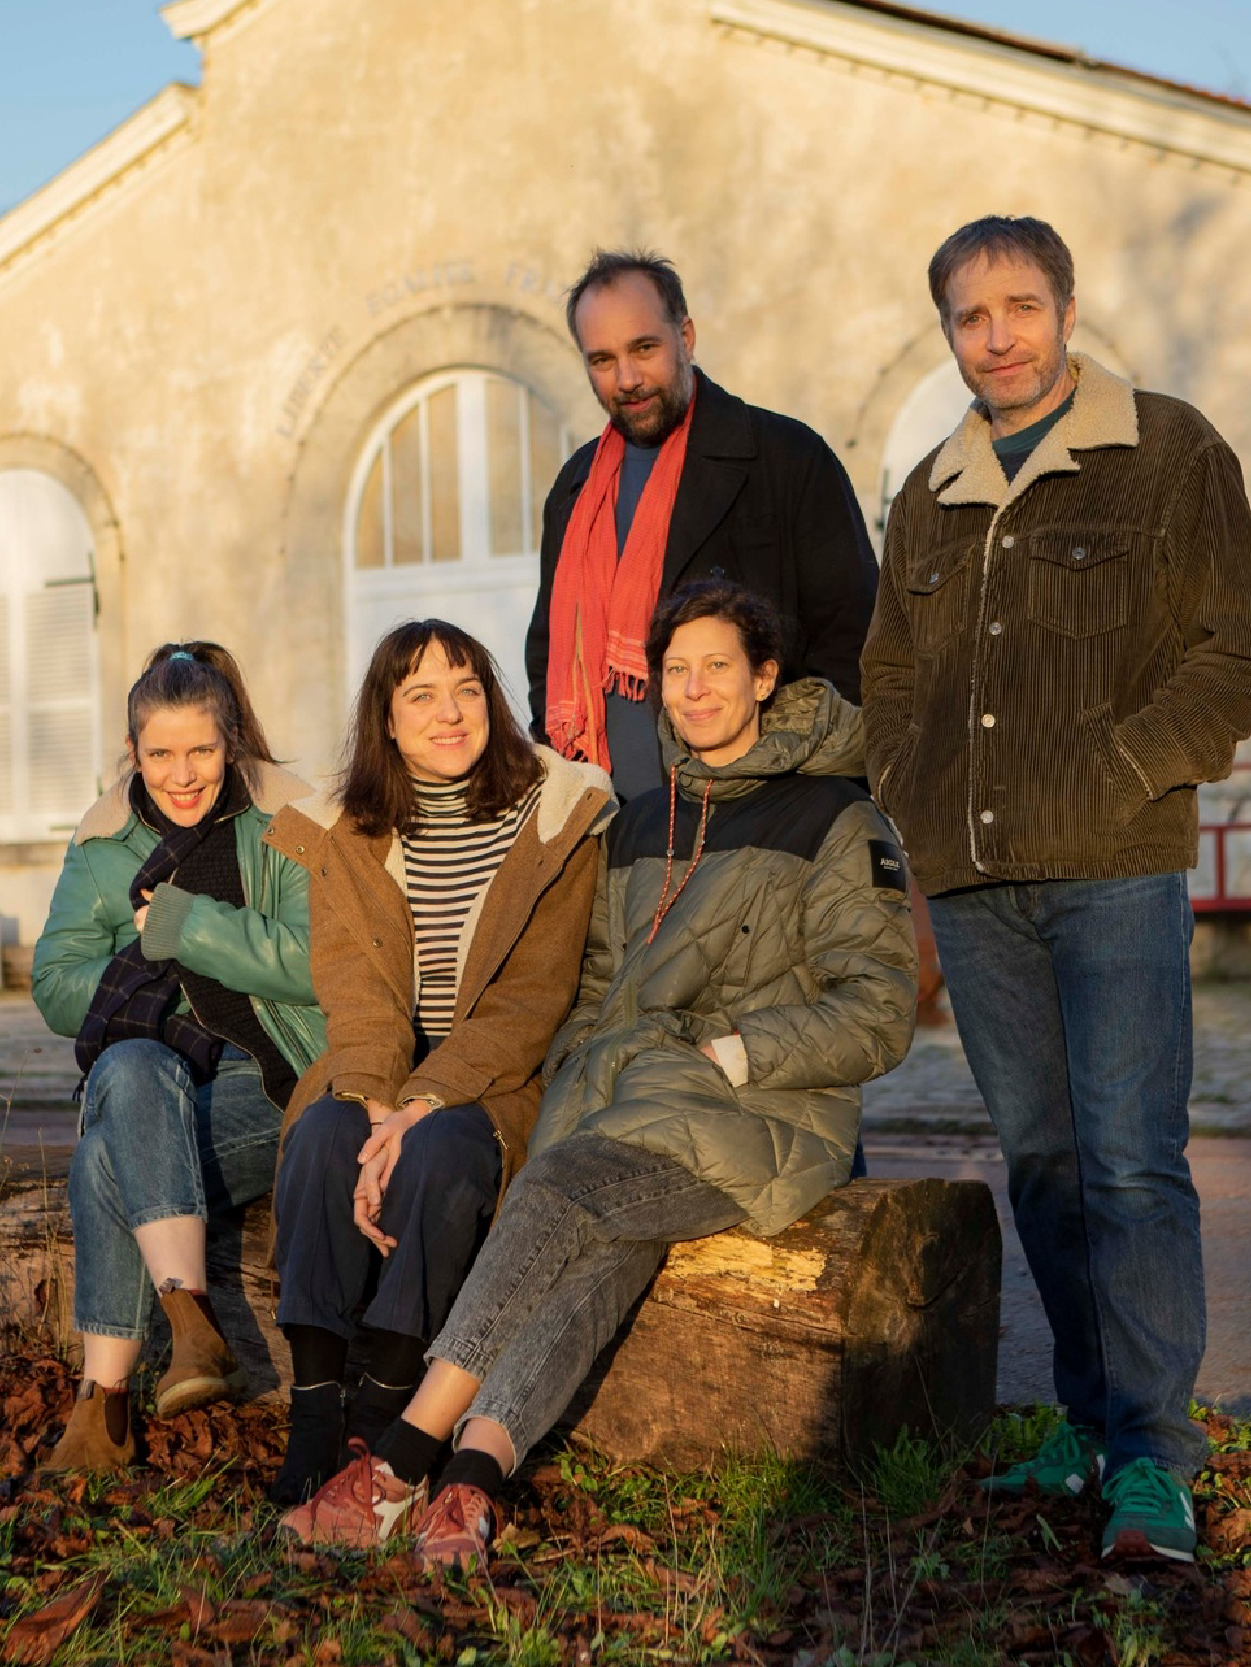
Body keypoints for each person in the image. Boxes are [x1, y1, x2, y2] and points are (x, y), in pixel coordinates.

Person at [280, 578, 917, 1559]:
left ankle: (399, 1459)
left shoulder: (836, 817)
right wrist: (577, 1076)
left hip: (756, 1113)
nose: (696, 689)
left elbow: (878, 1009)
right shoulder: (642, 821)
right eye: (677, 670)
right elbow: (591, 989)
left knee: (562, 1188)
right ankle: (473, 1480)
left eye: (718, 666)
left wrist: (735, 1051)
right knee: (600, 1247)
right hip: (628, 1109)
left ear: (765, 677)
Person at [860, 214, 1251, 1563]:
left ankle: (1153, 1454)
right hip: (975, 886)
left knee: (1131, 1159)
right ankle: (1087, 1420)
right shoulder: (930, 491)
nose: (997, 336)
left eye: (1020, 306)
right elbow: (889, 677)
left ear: (1066, 312)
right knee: (1040, 1159)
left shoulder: (1170, 452)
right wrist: (911, 797)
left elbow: (1229, 649)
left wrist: (1128, 767)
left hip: (1113, 871)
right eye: (969, 317)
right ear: (948, 334)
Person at [262, 620, 614, 1505]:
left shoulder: (557, 816)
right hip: (376, 1064)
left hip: (496, 1079)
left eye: (466, 689)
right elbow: (355, 989)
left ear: (491, 701)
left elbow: (531, 999)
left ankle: (384, 1402)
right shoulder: (346, 830)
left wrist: (420, 1105)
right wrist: (376, 1101)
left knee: (444, 1150)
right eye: (420, 694)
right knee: (323, 1133)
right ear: (386, 718)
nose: (448, 712)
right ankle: (313, 1408)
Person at [30, 643, 325, 1471]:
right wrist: (157, 979)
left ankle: (103, 1408)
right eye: (160, 753)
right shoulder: (103, 842)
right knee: (131, 1064)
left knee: (104, 1156)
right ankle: (191, 1325)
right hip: (152, 1077)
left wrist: (185, 928)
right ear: (134, 750)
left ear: (230, 740)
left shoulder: (286, 821)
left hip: (272, 1075)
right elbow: (53, 982)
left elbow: (318, 962)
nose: (182, 773)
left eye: (201, 749)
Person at [524, 248, 879, 803]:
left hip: (758, 808)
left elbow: (853, 641)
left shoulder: (786, 457)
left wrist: (802, 796)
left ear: (685, 337)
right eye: (602, 360)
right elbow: (547, 658)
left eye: (645, 348)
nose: (627, 378)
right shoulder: (575, 489)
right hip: (608, 819)